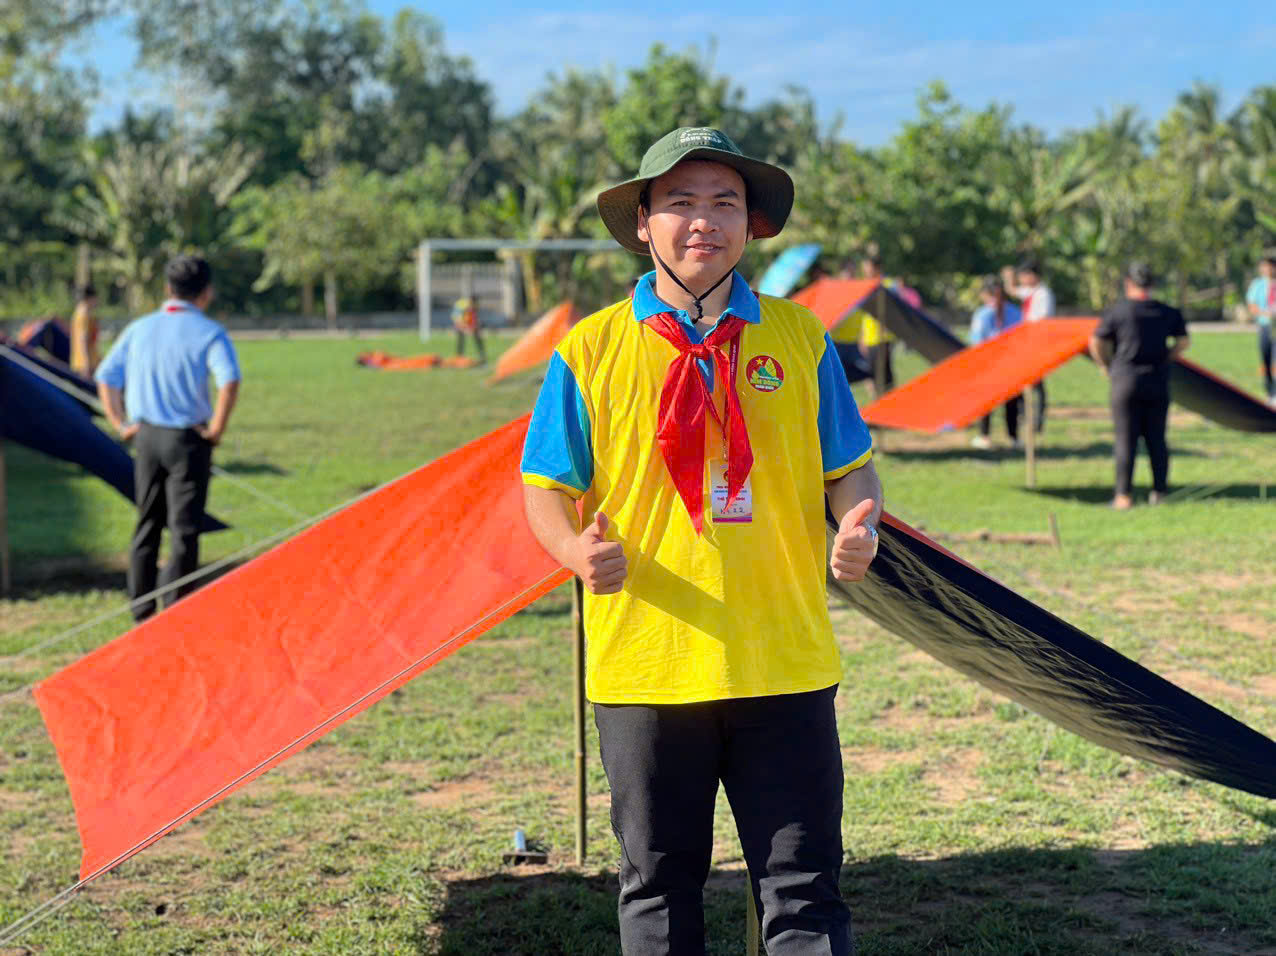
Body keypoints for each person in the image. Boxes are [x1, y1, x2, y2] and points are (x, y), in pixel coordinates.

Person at [521, 127, 882, 955]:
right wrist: (575, 553)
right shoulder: (590, 350)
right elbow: (544, 487)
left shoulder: (801, 339)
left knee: (804, 894)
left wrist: (861, 523)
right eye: (679, 203)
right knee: (658, 890)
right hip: (646, 667)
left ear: (752, 225)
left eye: (724, 202)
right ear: (642, 223)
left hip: (783, 660)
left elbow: (851, 470)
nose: (702, 222)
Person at [96, 256, 241, 621]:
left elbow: (106, 376)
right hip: (186, 440)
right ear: (206, 293)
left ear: (166, 289)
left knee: (147, 522)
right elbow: (229, 380)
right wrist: (217, 430)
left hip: (145, 438)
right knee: (184, 528)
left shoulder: (139, 328)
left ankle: (141, 609)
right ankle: (176, 611)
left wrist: (120, 422)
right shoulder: (209, 332)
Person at [1088, 263, 1190, 510]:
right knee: (1157, 438)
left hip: (1125, 379)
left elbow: (1095, 341)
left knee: (1126, 438)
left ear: (1128, 284)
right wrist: (1167, 356)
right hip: (1157, 380)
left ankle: (1123, 496)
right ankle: (1160, 492)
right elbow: (1184, 342)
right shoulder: (1168, 312)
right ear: (1152, 285)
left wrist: (1106, 365)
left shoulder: (1118, 311)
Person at [969, 276, 1024, 449]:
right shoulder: (989, 314)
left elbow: (978, 342)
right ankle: (1000, 437)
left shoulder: (989, 314)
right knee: (996, 402)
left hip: (1000, 364)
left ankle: (999, 436)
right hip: (999, 363)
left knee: (1003, 402)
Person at [1002, 257, 1055, 432]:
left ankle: (1037, 421)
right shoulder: (1031, 292)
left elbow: (1041, 320)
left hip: (1037, 344)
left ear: (1033, 276)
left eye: (1024, 276)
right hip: (1027, 343)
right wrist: (1009, 278)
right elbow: (1012, 290)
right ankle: (1026, 416)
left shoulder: (1043, 294)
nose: (1022, 280)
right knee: (1025, 381)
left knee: (1037, 384)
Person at [856, 252, 897, 398]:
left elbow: (895, 310)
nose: (865, 269)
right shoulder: (866, 286)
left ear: (876, 267)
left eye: (867, 266)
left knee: (884, 375)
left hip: (883, 337)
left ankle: (888, 403)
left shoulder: (888, 285)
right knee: (872, 375)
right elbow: (864, 315)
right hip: (869, 338)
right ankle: (879, 403)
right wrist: (861, 336)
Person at [1244, 253, 1276, 405]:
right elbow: (1252, 305)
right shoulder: (1258, 284)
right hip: (1265, 325)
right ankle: (1270, 392)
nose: (1266, 269)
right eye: (1263, 267)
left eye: (1269, 266)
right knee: (1266, 358)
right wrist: (1266, 313)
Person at [70, 284, 100, 376]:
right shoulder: (84, 315)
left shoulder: (79, 313)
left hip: (82, 362)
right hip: (86, 365)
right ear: (90, 298)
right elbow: (83, 340)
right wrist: (86, 365)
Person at [451, 295, 486, 364]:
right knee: (461, 338)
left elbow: (474, 317)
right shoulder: (461, 305)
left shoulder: (474, 306)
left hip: (468, 322)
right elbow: (456, 317)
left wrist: (474, 326)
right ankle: (459, 356)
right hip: (460, 322)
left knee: (477, 337)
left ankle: (482, 355)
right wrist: (463, 327)